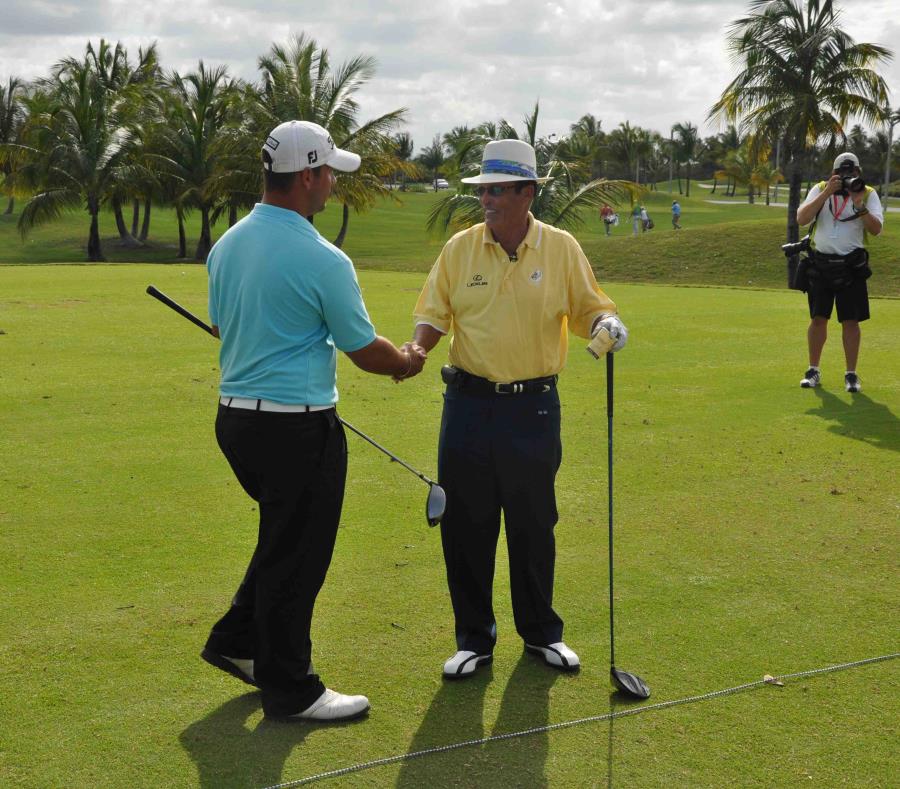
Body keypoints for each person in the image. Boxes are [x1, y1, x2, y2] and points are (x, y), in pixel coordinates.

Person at [203, 120, 427, 721]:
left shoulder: (227, 244)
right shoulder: (322, 257)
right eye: (328, 173)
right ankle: (292, 687)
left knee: (282, 536)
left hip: (237, 424)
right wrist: (407, 361)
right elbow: (363, 350)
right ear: (306, 176)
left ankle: (237, 642)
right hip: (295, 430)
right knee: (298, 555)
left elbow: (225, 328)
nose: (332, 184)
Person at [410, 139, 628, 679]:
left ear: (528, 193)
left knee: (534, 524)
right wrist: (416, 351)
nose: (487, 199)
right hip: (467, 404)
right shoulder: (460, 249)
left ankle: (541, 634)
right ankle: (474, 640)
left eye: (499, 190)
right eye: (483, 190)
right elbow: (433, 314)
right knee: (466, 526)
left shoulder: (560, 248)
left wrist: (606, 325)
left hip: (533, 409)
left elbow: (591, 309)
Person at [796, 152, 883, 392]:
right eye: (842, 173)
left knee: (851, 321)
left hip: (851, 268)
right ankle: (813, 370)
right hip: (820, 265)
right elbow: (802, 218)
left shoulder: (867, 193)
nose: (847, 177)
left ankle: (851, 375)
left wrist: (858, 205)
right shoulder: (820, 189)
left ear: (858, 172)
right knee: (818, 319)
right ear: (833, 173)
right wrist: (826, 193)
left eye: (852, 173)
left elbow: (876, 230)